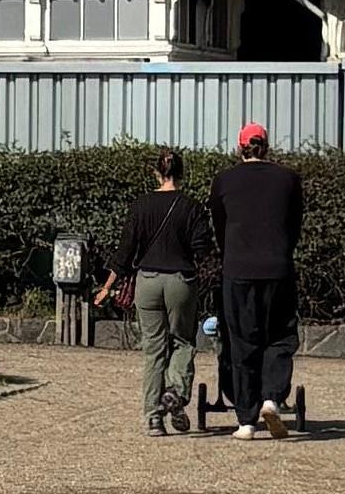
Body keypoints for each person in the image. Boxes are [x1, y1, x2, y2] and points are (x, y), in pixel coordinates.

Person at [208, 122, 307, 437]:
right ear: (267, 146)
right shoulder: (288, 179)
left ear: (240, 149)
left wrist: (232, 254)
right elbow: (294, 225)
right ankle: (272, 398)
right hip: (277, 267)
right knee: (280, 336)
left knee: (242, 341)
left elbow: (219, 226)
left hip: (238, 269)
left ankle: (246, 419)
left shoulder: (224, 181)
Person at [109, 150, 213, 436]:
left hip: (147, 280)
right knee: (182, 341)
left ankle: (153, 417)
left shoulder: (141, 205)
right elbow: (202, 248)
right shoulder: (192, 207)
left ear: (156, 172)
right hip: (180, 280)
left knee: (153, 350)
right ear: (182, 173)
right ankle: (176, 393)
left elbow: (125, 248)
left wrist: (108, 284)